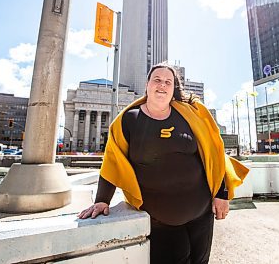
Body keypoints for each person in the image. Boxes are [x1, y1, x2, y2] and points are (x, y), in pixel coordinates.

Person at [78, 63, 249, 264]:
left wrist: (221, 194)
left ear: (173, 88)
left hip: (201, 214)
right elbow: (112, 162)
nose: (162, 85)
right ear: (147, 85)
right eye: (157, 80)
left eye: (168, 82)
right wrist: (102, 200)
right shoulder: (128, 120)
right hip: (160, 221)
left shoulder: (192, 114)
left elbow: (214, 154)